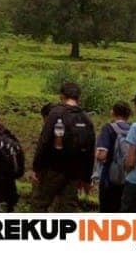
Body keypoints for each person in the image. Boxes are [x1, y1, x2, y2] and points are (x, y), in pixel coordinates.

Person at [31, 82, 95, 212]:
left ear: (62, 95)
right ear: (79, 97)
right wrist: (86, 178)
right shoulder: (86, 118)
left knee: (39, 203)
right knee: (68, 207)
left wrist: (36, 168)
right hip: (74, 172)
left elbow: (44, 142)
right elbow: (90, 152)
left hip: (53, 169)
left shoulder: (56, 113)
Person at [95, 101, 132, 212]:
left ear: (113, 112)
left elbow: (102, 155)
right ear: (129, 115)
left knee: (107, 210)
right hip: (129, 177)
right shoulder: (133, 129)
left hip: (109, 178)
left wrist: (96, 155)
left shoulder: (108, 128)